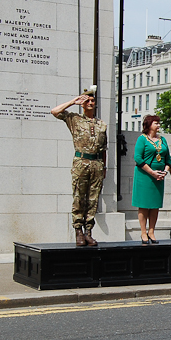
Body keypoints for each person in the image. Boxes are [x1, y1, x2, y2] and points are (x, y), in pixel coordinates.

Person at [50, 85, 107, 247]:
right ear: (82, 104)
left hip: (97, 164)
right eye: (87, 100)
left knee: (93, 199)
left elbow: (104, 148)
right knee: (79, 197)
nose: (90, 102)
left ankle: (89, 231)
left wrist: (104, 167)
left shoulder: (101, 124)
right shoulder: (74, 118)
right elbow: (54, 111)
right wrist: (72, 101)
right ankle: (78, 231)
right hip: (81, 162)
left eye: (92, 100)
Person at [132, 115, 171, 244]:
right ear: (148, 124)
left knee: (155, 205)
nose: (158, 125)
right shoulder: (142, 139)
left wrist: (164, 172)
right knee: (144, 205)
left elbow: (168, 160)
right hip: (145, 175)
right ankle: (143, 232)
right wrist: (152, 172)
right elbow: (138, 158)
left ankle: (151, 231)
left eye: (159, 123)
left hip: (159, 177)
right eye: (156, 123)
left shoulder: (163, 139)